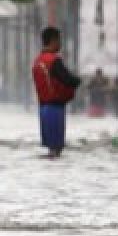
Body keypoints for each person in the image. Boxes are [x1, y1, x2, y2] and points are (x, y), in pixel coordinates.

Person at [32, 26, 81, 157]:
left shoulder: (38, 61)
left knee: (50, 150)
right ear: (53, 40)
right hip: (55, 109)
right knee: (56, 150)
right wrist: (79, 81)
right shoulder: (53, 60)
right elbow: (68, 79)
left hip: (43, 109)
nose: (60, 44)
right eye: (59, 40)